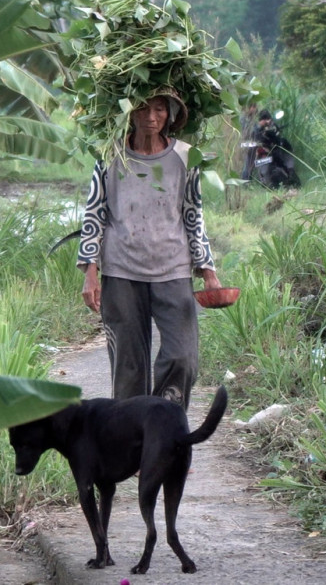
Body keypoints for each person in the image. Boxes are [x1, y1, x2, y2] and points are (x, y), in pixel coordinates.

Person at [77, 86, 224, 410]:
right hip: (121, 272)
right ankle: (132, 452)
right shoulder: (110, 156)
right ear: (129, 112)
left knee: (182, 358)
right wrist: (90, 272)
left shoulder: (185, 157)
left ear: (170, 113)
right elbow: (95, 213)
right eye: (143, 108)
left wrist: (208, 271)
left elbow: (193, 215)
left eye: (159, 108)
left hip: (172, 270)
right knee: (129, 368)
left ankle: (166, 437)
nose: (151, 117)